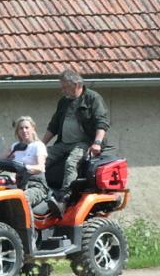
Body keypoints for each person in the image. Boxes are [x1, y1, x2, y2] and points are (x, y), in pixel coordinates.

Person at [41, 68, 109, 206]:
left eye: (65, 87)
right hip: (64, 143)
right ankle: (38, 188)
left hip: (84, 142)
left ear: (76, 85)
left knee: (71, 162)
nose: (62, 91)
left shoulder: (93, 98)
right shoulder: (64, 101)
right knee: (41, 157)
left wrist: (97, 143)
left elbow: (101, 122)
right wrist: (40, 145)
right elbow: (54, 125)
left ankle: (66, 195)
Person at [0, 115, 49, 213]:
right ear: (18, 131)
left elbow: (41, 167)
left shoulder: (38, 146)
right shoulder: (15, 147)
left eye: (26, 127)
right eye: (21, 128)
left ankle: (28, 223)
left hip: (36, 186)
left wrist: (25, 167)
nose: (24, 130)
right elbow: (1, 157)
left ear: (33, 128)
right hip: (19, 184)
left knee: (22, 199)